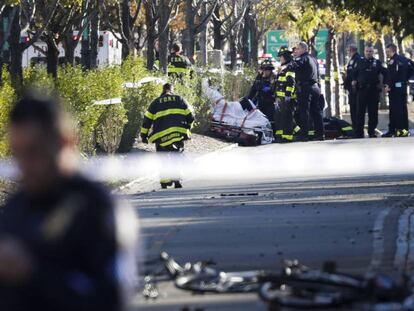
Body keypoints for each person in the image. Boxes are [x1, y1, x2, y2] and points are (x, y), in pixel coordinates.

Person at [0, 90, 138, 311]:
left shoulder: (98, 208)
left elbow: (111, 301)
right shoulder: (16, 208)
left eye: (34, 151)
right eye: (17, 153)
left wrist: (33, 273)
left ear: (66, 142)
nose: (24, 165)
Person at [140, 83, 194, 189]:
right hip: (177, 134)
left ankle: (164, 182)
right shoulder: (180, 99)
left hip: (161, 137)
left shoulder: (155, 103)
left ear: (163, 90)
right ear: (172, 90)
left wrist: (144, 135)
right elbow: (191, 116)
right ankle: (177, 179)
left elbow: (147, 120)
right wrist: (188, 128)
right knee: (176, 155)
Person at [352, 45, 388, 138]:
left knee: (373, 113)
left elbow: (385, 73)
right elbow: (353, 74)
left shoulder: (377, 63)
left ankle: (371, 132)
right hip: (362, 90)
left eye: (370, 51)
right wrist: (354, 81)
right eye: (367, 51)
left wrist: (385, 84)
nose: (368, 53)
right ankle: (359, 133)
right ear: (364, 52)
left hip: (373, 90)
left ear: (373, 52)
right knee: (360, 112)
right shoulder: (359, 62)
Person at [291, 41, 324, 141]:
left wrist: (291, 61)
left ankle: (304, 135)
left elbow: (295, 66)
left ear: (303, 49)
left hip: (306, 88)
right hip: (315, 88)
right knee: (316, 112)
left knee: (304, 111)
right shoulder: (313, 59)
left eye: (298, 49)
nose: (296, 51)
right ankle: (320, 134)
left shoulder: (302, 58)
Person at [382, 43, 411, 137]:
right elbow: (411, 69)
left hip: (394, 89)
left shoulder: (393, 61)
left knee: (395, 110)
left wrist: (388, 86)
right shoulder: (404, 59)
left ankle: (396, 131)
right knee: (403, 110)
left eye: (387, 51)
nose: (387, 53)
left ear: (392, 50)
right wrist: (405, 80)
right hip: (402, 88)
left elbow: (392, 75)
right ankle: (404, 130)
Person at [274, 46, 296, 143]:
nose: (280, 59)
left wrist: (288, 95)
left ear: (286, 57)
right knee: (281, 117)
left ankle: (288, 137)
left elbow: (291, 82)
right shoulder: (284, 67)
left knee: (287, 117)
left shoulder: (290, 67)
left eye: (281, 57)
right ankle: (281, 136)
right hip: (281, 98)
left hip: (287, 98)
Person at [247, 59, 277, 128]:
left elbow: (274, 89)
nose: (266, 71)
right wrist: (248, 99)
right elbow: (253, 90)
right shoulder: (259, 78)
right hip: (260, 103)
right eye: (264, 69)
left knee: (270, 120)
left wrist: (269, 89)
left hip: (270, 103)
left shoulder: (274, 78)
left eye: (268, 69)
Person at [343, 44, 362, 130]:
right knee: (353, 110)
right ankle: (355, 128)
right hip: (351, 88)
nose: (347, 53)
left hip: (355, 89)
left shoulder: (357, 59)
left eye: (348, 51)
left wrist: (355, 81)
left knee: (356, 110)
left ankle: (357, 129)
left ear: (351, 51)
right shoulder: (352, 60)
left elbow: (356, 73)